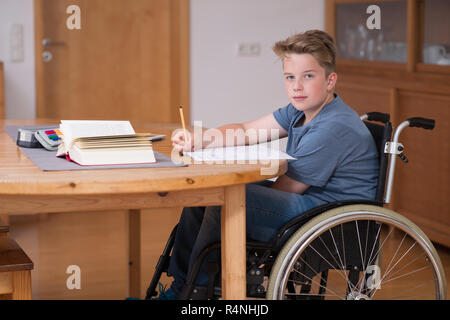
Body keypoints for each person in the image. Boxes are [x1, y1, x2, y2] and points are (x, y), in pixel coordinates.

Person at [157, 29, 379, 299]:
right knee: (206, 194)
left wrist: (236, 198)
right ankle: (181, 287)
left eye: (308, 76)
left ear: (330, 80)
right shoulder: (300, 110)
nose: (296, 86)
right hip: (310, 203)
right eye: (290, 77)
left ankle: (198, 293)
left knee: (225, 198)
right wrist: (199, 140)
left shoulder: (332, 126)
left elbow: (287, 189)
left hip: (330, 219)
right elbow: (247, 131)